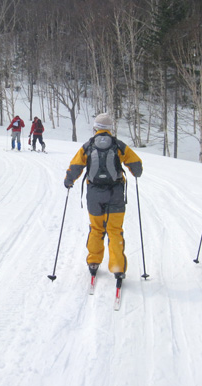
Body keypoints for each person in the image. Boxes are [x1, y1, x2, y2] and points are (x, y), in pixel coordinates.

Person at [63, 113, 143, 279]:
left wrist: (69, 181)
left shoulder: (88, 146)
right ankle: (118, 267)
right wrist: (135, 172)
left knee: (97, 228)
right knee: (114, 231)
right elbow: (137, 165)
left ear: (95, 128)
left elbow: (76, 166)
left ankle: (93, 261)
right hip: (116, 194)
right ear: (110, 129)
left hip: (94, 195)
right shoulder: (118, 145)